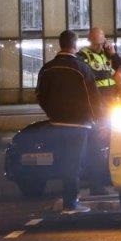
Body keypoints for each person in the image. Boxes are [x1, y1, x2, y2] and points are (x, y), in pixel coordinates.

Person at [36, 30, 101, 213]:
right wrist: (96, 119)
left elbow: (40, 95)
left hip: (56, 123)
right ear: (75, 45)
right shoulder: (82, 69)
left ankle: (69, 200)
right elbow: (93, 97)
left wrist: (51, 112)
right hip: (79, 125)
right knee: (74, 163)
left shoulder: (47, 68)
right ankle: (70, 203)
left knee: (64, 161)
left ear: (60, 44)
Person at [78, 26, 121, 100]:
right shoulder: (83, 55)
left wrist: (113, 54)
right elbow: (85, 76)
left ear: (105, 41)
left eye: (101, 43)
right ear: (89, 41)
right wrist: (109, 73)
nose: (99, 47)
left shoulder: (107, 52)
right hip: (97, 99)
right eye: (96, 44)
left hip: (113, 97)